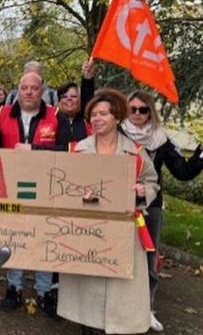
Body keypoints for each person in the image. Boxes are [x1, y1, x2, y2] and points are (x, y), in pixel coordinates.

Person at [58, 89, 159, 334]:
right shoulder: (77, 150)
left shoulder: (135, 152)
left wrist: (143, 191)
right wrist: (76, 194)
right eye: (93, 114)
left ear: (117, 117)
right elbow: (63, 186)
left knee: (118, 288)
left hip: (123, 231)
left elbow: (152, 181)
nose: (97, 118)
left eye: (103, 113)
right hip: (87, 230)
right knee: (88, 289)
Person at [120, 90, 203, 332]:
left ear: (150, 112)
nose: (136, 114)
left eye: (142, 110)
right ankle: (118, 306)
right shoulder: (118, 132)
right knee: (119, 255)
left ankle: (147, 309)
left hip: (150, 206)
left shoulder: (161, 139)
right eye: (132, 109)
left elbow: (183, 172)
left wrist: (200, 156)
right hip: (119, 202)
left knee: (148, 257)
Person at [0, 72, 70, 317]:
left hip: (46, 189)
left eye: (34, 88)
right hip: (11, 188)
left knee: (44, 237)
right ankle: (14, 287)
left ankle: (44, 290)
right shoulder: (2, 113)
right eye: (24, 87)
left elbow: (67, 150)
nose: (29, 92)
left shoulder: (56, 116)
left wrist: (34, 150)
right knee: (14, 236)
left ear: (42, 90)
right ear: (18, 89)